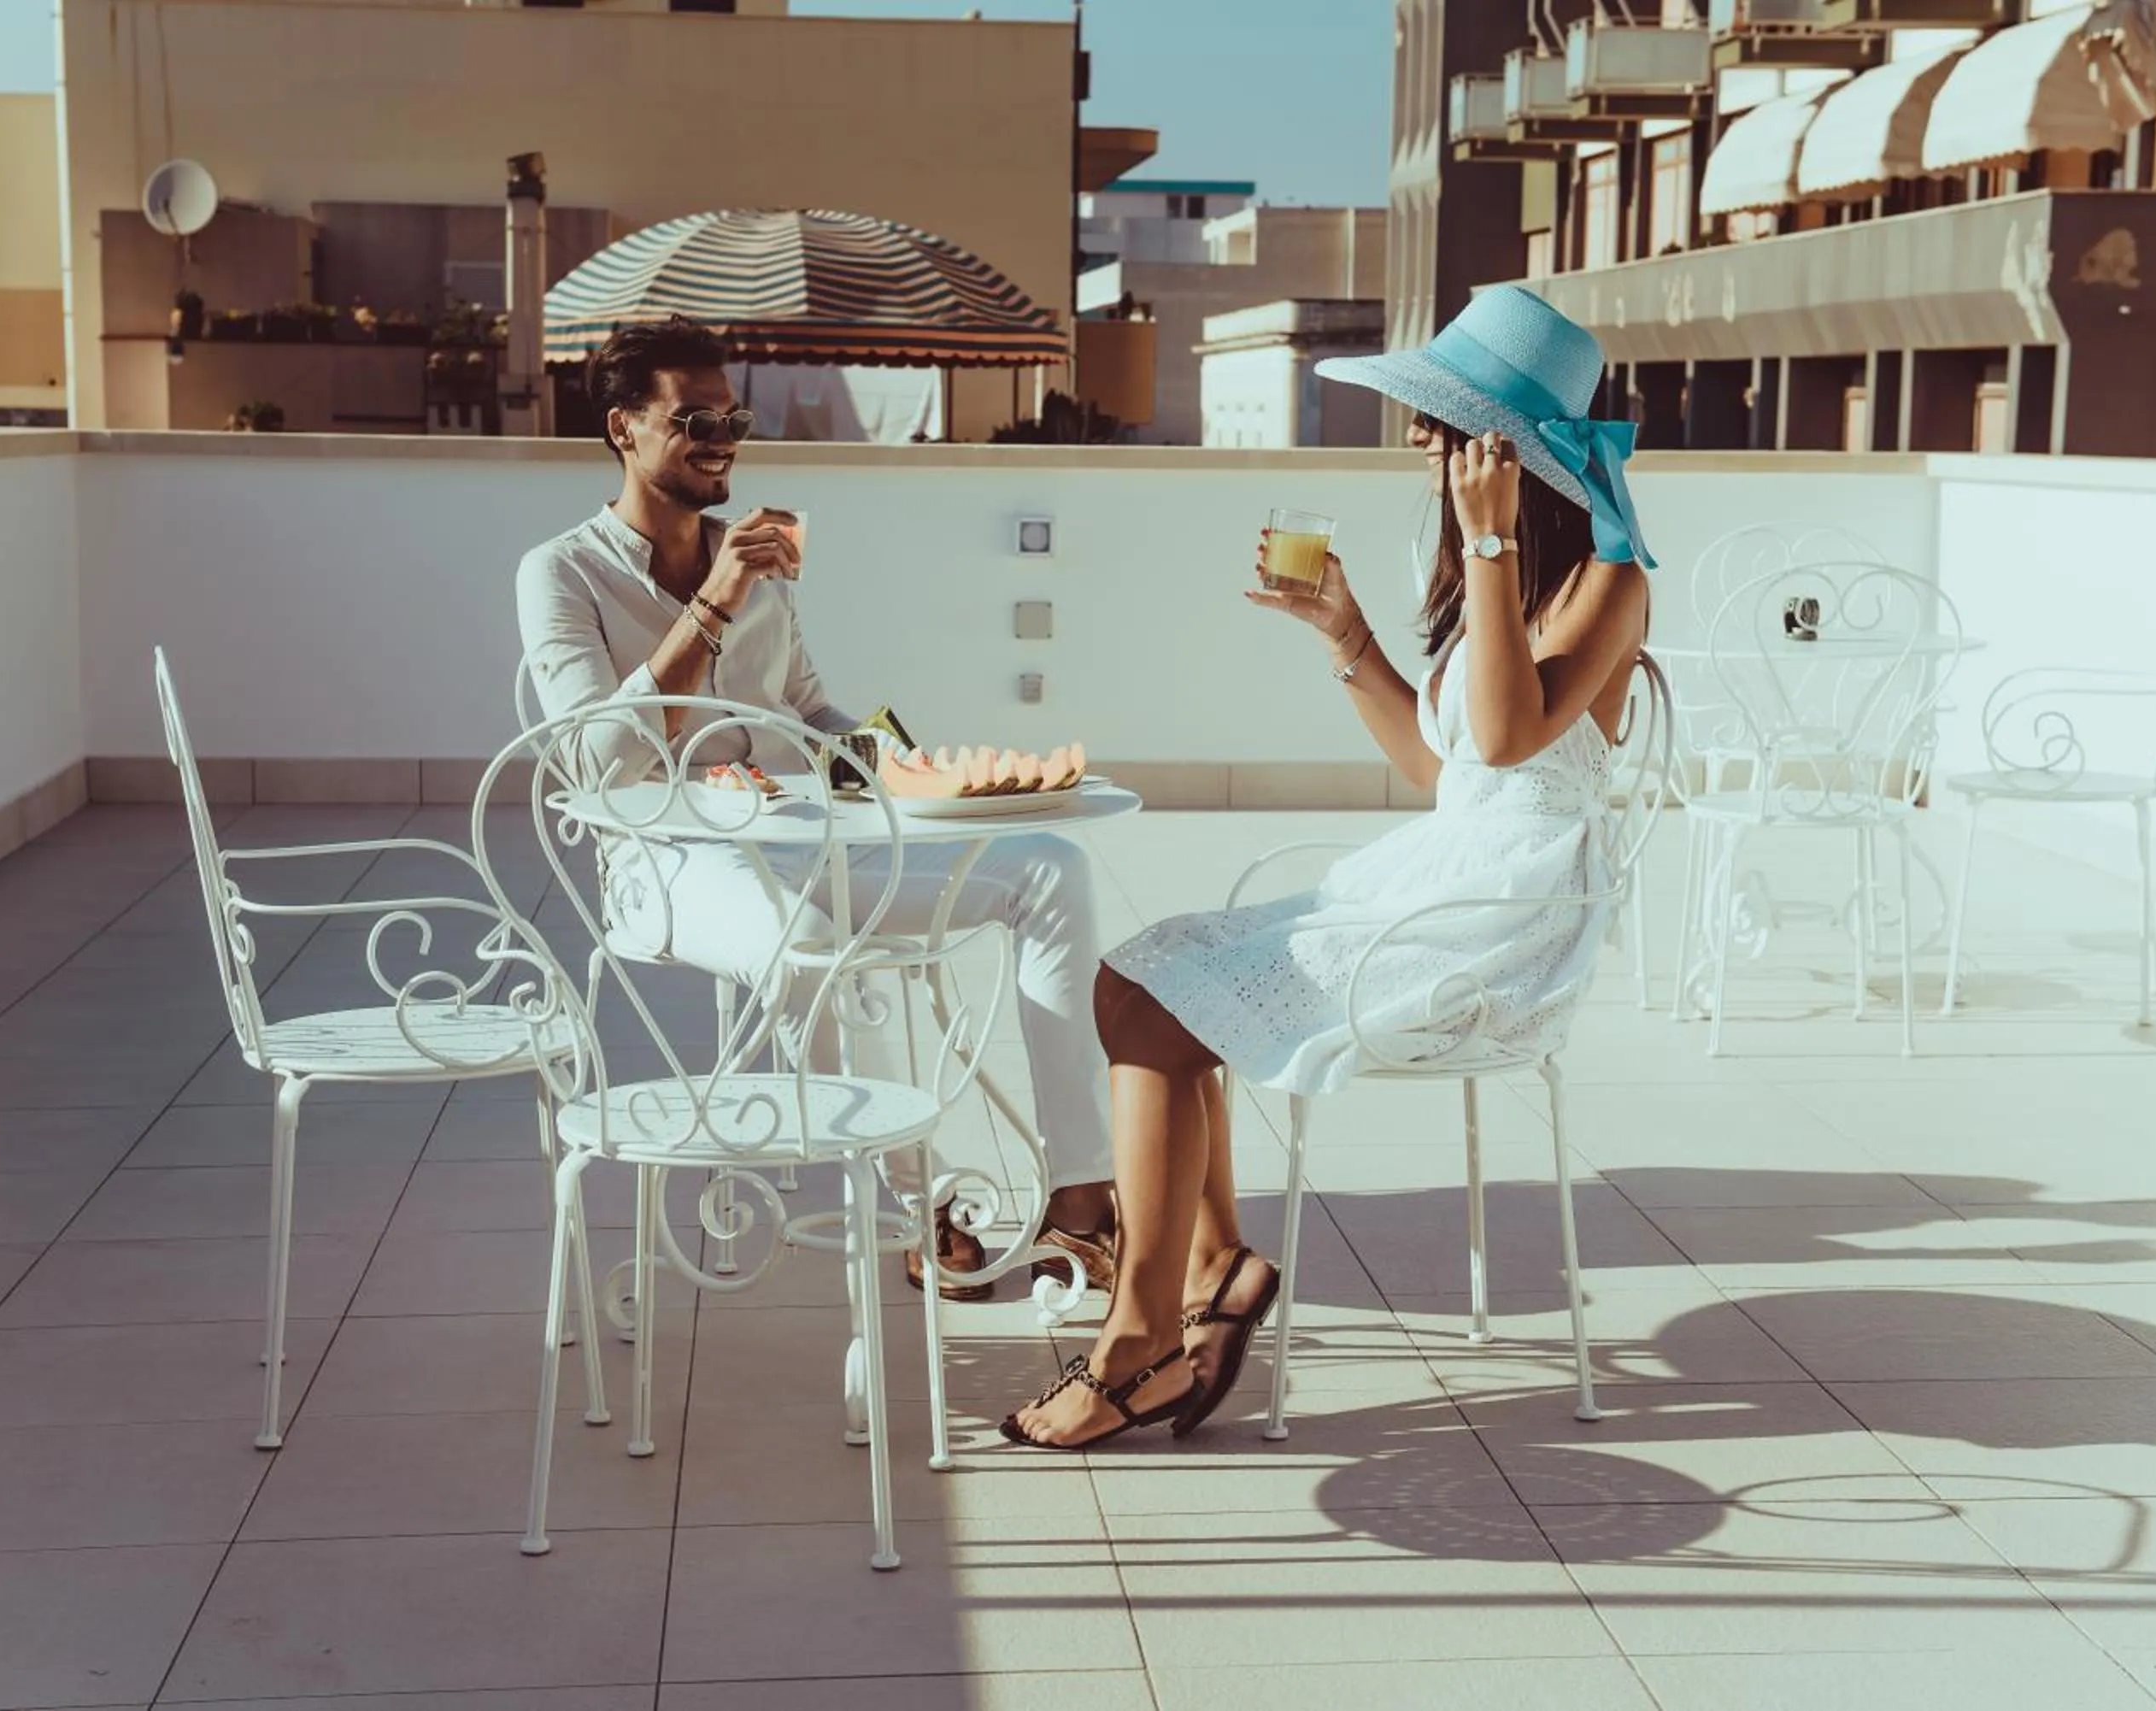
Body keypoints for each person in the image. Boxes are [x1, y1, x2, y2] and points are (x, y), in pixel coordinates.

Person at [1001, 285, 1656, 1448]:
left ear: (1506, 448)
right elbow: (1443, 762)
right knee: (1136, 977)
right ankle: (1209, 1270)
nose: (1419, 442)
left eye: (1443, 424)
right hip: (1435, 876)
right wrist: (1346, 633)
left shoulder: (1607, 582)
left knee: (1155, 1004)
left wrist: (1494, 542)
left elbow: (1506, 740)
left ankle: (1143, 1337)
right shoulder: (1491, 571)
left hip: (1495, 926)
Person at [516, 317, 1118, 1301]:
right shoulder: (560, 573)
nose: (724, 437)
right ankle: (917, 1206)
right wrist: (712, 603)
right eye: (694, 419)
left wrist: (904, 755)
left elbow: (802, 710)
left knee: (1052, 867)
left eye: (734, 415)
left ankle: (1083, 1197)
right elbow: (594, 754)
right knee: (815, 939)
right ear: (624, 428)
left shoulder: (753, 558)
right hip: (668, 862)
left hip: (802, 836)